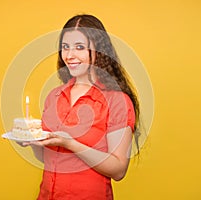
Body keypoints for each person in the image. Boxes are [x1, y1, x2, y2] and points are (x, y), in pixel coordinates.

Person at [19, 14, 140, 200]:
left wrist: (71, 143)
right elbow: (49, 159)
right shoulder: (54, 96)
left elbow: (118, 170)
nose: (69, 55)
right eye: (65, 47)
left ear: (98, 51)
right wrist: (32, 142)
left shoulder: (117, 101)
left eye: (79, 47)